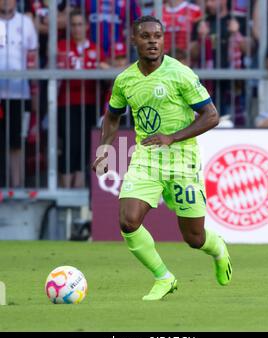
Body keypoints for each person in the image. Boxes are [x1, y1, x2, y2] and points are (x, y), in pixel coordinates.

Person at [92, 16, 232, 301]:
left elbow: (211, 116)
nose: (152, 41)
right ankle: (164, 277)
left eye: (157, 36)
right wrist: (105, 148)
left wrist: (172, 136)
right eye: (145, 36)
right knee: (128, 221)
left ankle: (218, 249)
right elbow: (113, 116)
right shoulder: (125, 80)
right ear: (134, 40)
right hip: (147, 156)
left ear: (163, 40)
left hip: (182, 158)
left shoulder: (180, 74)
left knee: (194, 238)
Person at [57, 10, 98, 188]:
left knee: (85, 146)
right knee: (69, 146)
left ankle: (78, 189)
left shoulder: (94, 48)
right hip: (66, 103)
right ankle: (66, 190)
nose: (77, 28)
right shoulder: (61, 46)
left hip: (90, 102)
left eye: (80, 24)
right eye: (73, 24)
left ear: (87, 27)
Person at [0, 0, 38, 187]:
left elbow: (33, 57)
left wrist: (35, 91)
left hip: (19, 94)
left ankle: (17, 186)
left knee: (17, 142)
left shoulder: (26, 22)